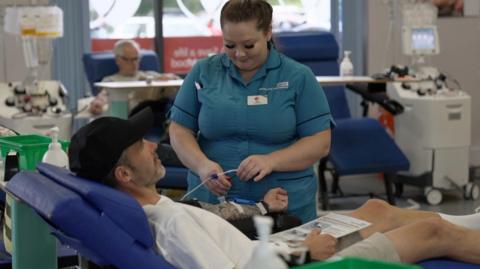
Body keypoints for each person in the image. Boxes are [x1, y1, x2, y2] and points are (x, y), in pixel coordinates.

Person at [69, 107, 480, 269]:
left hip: (277, 251)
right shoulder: (172, 223)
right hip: (295, 264)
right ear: (123, 175)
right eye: (138, 145)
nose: (152, 144)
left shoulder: (156, 209)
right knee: (431, 233)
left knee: (376, 208)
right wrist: (305, 254)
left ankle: (471, 223)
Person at [169, 0, 333, 223]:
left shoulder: (298, 76)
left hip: (283, 204)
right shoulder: (203, 72)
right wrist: (202, 165)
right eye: (229, 46)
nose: (239, 54)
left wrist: (272, 160)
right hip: (214, 205)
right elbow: (179, 129)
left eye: (248, 45)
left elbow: (320, 142)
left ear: (267, 33)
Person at [88, 39, 182, 167]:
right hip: (137, 128)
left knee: (176, 99)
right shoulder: (110, 81)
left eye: (136, 59)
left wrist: (167, 79)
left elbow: (177, 81)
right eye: (128, 59)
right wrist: (97, 105)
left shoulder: (149, 76)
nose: (134, 64)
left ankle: (175, 137)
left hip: (161, 122)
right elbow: (102, 97)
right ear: (118, 60)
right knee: (160, 151)